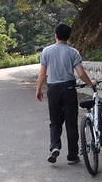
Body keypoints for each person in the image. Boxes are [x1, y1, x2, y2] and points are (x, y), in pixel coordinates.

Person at [35, 23, 96, 165]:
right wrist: (90, 83)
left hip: (53, 90)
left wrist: (38, 89)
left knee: (55, 122)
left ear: (55, 34)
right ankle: (72, 156)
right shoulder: (73, 52)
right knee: (71, 123)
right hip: (69, 89)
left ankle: (55, 147)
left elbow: (42, 73)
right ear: (68, 36)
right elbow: (80, 73)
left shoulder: (46, 51)